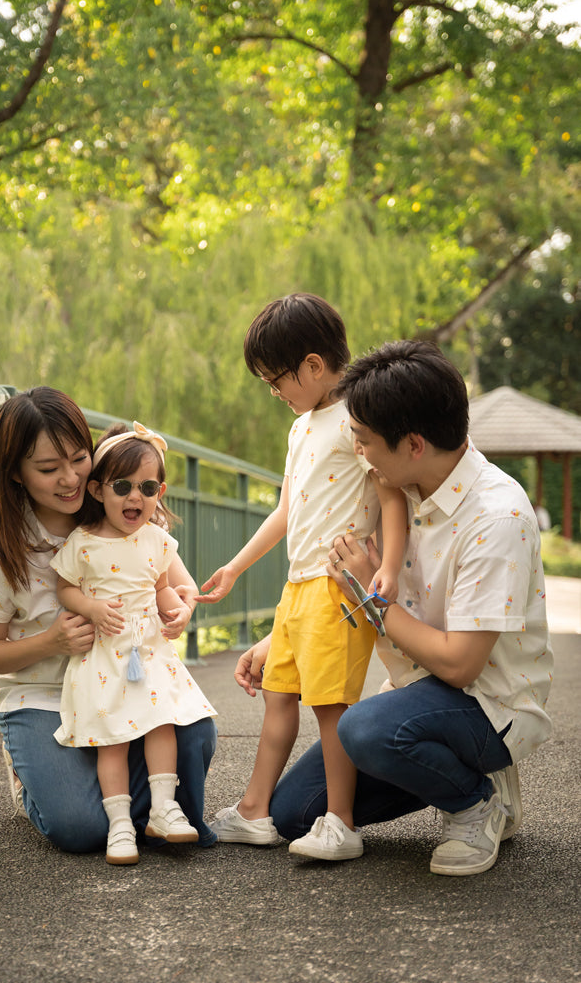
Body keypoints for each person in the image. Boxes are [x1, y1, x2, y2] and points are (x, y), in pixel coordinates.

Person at [236, 340, 554, 876]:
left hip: (490, 704)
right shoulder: (397, 490)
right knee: (296, 814)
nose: (357, 453)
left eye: (362, 442)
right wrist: (278, 640)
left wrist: (368, 595)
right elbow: (324, 576)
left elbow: (459, 665)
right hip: (413, 695)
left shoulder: (497, 518)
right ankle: (451, 771)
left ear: (412, 444)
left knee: (363, 730)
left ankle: (475, 803)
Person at [0, 387, 217, 855]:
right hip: (40, 695)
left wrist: (180, 605)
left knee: (194, 731)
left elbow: (178, 584)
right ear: (15, 472)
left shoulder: (117, 510)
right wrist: (51, 641)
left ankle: (134, 807)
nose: (70, 479)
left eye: (78, 459)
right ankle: (40, 783)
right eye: (48, 469)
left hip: (120, 680)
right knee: (80, 829)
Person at [197, 294, 408, 860]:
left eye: (277, 381)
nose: (276, 393)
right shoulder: (301, 428)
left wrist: (386, 568)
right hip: (298, 586)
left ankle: (341, 822)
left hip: (338, 587)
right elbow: (288, 509)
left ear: (313, 366)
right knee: (278, 696)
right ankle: (255, 811)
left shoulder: (355, 419)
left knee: (330, 706)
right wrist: (236, 568)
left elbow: (390, 494)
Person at [51, 421, 217, 864]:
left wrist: (177, 610)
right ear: (98, 490)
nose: (134, 497)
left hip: (148, 651)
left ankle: (163, 807)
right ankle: (120, 823)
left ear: (159, 492)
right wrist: (88, 607)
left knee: (161, 723)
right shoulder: (82, 544)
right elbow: (64, 588)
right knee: (114, 739)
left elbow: (162, 587)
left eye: (147, 487)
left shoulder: (157, 541)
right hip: (106, 656)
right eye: (122, 486)